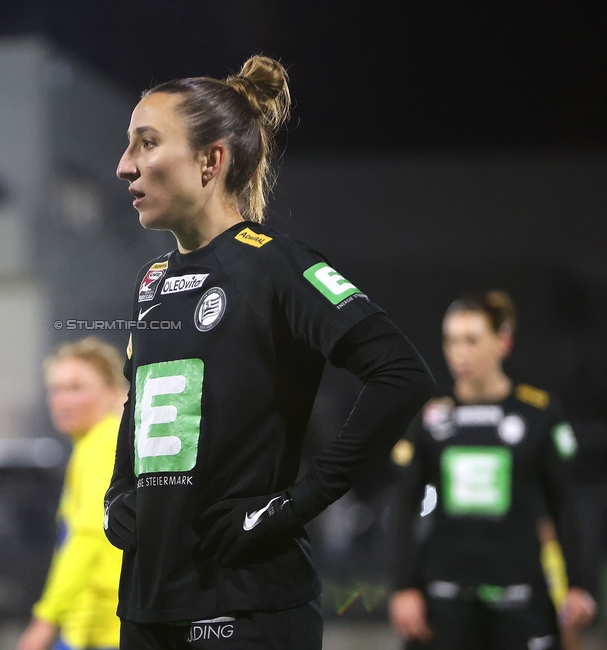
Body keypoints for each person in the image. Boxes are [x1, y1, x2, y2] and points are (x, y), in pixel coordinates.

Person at [104, 55, 435, 649]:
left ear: (212, 160)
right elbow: (142, 401)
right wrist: (117, 491)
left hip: (250, 611)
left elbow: (401, 374)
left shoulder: (275, 264)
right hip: (147, 609)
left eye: (147, 144)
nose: (125, 166)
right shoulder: (150, 280)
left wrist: (294, 504)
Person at [389, 291, 598, 649]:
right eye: (451, 340)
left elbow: (565, 504)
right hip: (445, 599)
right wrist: (403, 588)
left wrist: (579, 584)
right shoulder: (431, 418)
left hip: (521, 598)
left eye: (472, 340)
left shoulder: (538, 414)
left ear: (503, 342)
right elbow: (404, 508)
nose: (460, 352)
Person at [18, 337, 127, 650]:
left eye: (77, 388)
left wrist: (44, 622)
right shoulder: (96, 445)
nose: (62, 399)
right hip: (95, 627)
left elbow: (89, 536)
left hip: (102, 628)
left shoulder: (102, 444)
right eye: (56, 388)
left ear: (112, 394)